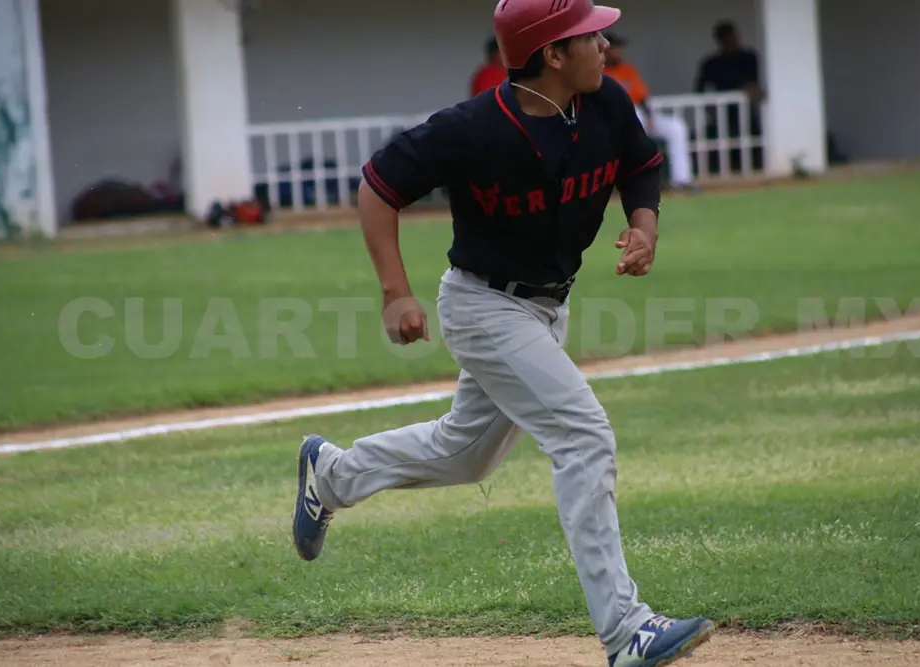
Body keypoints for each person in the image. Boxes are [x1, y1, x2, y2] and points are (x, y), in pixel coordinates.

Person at [291, 0, 716, 665]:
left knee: (466, 455)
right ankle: (625, 628)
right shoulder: (470, 129)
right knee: (583, 437)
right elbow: (378, 187)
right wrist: (394, 291)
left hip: (548, 308)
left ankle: (333, 474)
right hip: (484, 308)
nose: (604, 43)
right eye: (589, 35)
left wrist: (645, 227)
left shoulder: (603, 105)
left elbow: (640, 165)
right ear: (551, 54)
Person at [602, 32, 695, 191]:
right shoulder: (599, 72)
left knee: (675, 127)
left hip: (638, 115)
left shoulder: (628, 70)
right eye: (614, 48)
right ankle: (634, 183)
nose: (618, 51)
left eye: (619, 48)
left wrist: (651, 117)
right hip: (611, 120)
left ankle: (681, 180)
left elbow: (642, 97)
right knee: (635, 118)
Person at [693, 20, 764, 173]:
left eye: (734, 36)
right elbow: (699, 89)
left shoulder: (749, 57)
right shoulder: (712, 63)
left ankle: (756, 170)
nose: (733, 40)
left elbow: (754, 82)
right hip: (722, 113)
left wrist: (752, 89)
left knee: (751, 140)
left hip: (746, 109)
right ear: (720, 40)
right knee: (723, 144)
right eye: (728, 37)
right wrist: (707, 106)